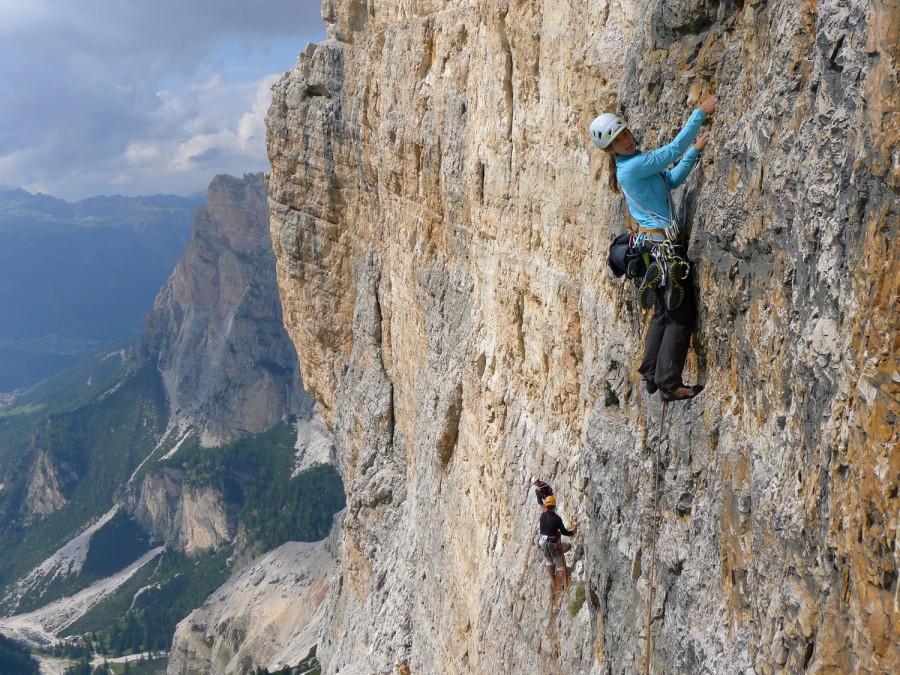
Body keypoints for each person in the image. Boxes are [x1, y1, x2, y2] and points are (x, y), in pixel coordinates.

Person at [589, 95, 718, 401]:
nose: (626, 140)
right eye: (618, 141)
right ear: (609, 150)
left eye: (625, 134)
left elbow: (670, 180)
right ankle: (669, 384)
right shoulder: (632, 168)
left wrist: (694, 153)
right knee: (680, 315)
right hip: (663, 250)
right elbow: (671, 152)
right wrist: (698, 114)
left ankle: (650, 371)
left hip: (655, 249)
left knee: (663, 312)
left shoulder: (634, 164)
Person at [538, 495, 577, 599]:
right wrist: (571, 533)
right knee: (559, 564)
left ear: (546, 505)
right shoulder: (557, 518)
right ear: (554, 506)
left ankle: (553, 580)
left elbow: (542, 529)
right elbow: (564, 531)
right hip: (552, 542)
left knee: (548, 562)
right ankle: (563, 584)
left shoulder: (542, 517)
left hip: (543, 542)